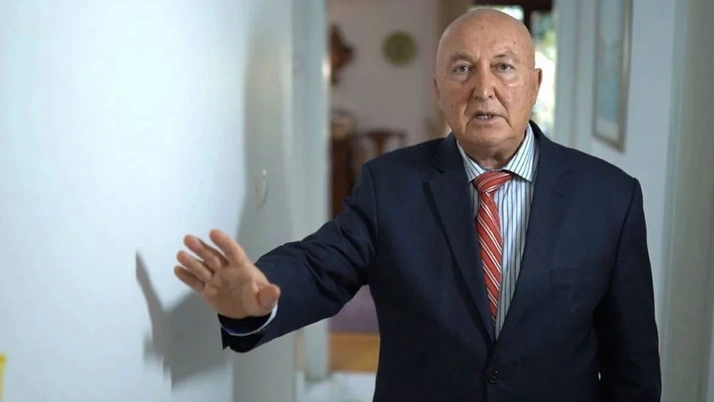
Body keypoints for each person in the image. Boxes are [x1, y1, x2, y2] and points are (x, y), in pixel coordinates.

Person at [173, 9, 661, 402]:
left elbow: (633, 363)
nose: (483, 89)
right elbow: (322, 264)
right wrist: (259, 295)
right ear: (438, 91)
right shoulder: (389, 185)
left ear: (534, 85)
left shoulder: (610, 197)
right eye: (462, 69)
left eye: (504, 67)